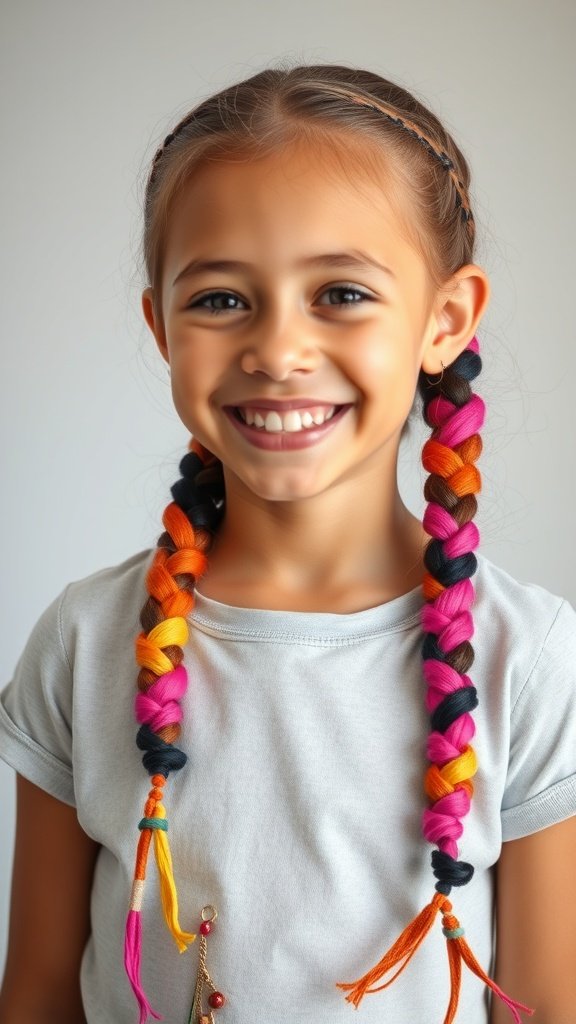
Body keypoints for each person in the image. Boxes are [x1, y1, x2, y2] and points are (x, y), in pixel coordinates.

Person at [0, 63, 575, 1024]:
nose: (277, 349)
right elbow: (40, 990)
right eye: (222, 300)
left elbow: (548, 1002)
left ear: (445, 320)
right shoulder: (87, 640)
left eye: (341, 292)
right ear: (161, 327)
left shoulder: (531, 658)